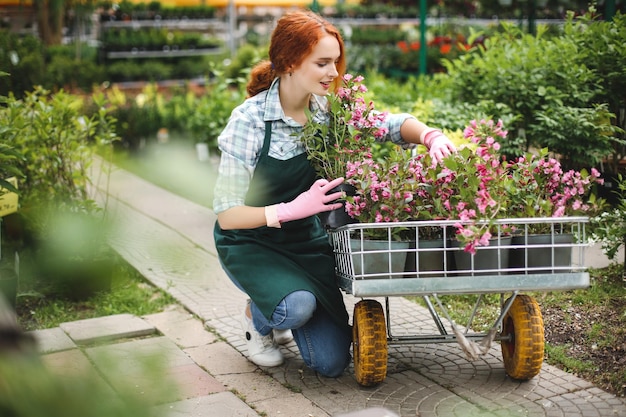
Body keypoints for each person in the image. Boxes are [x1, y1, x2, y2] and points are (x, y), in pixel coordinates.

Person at [212, 9, 456, 378]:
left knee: (331, 364)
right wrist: (290, 208)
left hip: (305, 243)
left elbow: (389, 124)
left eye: (336, 62)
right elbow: (227, 214)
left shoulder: (328, 113)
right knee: (295, 307)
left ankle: (286, 304)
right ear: (291, 62)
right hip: (251, 243)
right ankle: (260, 318)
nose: (334, 72)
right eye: (323, 62)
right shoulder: (249, 121)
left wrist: (429, 135)